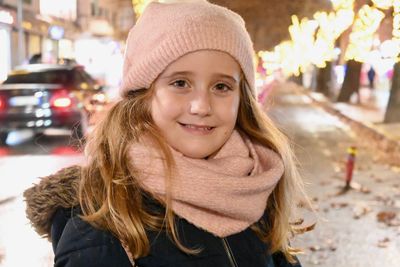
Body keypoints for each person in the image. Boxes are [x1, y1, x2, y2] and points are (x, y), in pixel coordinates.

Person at [24, 1, 310, 266]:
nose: (201, 106)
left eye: (221, 87)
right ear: (143, 96)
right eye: (180, 82)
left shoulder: (257, 190)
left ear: (242, 99)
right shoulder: (100, 225)